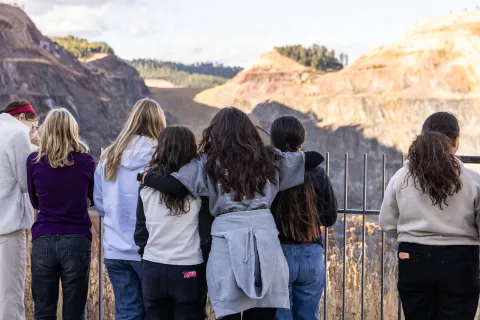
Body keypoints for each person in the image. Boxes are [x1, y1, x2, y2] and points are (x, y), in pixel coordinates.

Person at [139, 107, 324, 320]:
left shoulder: (207, 162)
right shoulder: (269, 158)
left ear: (215, 133)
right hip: (265, 242)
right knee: (263, 312)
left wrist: (144, 178)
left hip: (226, 244)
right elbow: (314, 158)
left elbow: (174, 186)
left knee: (229, 312)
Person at [379, 112, 480, 320]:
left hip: (413, 258)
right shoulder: (473, 180)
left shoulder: (401, 177)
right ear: (456, 142)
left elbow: (387, 222)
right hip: (461, 261)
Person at [94, 97, 166, 319]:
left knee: (126, 312)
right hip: (151, 249)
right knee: (155, 312)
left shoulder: (109, 156)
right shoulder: (161, 157)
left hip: (115, 248)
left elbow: (100, 204)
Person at [134, 126, 214, 320]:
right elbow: (206, 235)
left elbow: (140, 232)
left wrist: (146, 256)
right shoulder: (198, 191)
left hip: (154, 266)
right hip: (189, 268)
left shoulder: (146, 187)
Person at [27, 108, 95, 319]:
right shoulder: (87, 161)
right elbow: (93, 198)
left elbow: (34, 201)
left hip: (44, 238)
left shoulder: (33, 161)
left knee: (44, 309)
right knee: (74, 310)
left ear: (46, 130)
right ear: (72, 130)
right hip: (77, 238)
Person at [270, 116, 337, 320]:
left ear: (273, 141)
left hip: (278, 252)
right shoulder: (317, 173)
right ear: (301, 142)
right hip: (311, 252)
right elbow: (330, 218)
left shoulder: (270, 172)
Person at [0, 100, 39, 320]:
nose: (33, 133)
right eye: (33, 127)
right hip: (9, 224)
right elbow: (26, 183)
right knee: (10, 297)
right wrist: (37, 145)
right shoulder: (18, 133)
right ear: (22, 118)